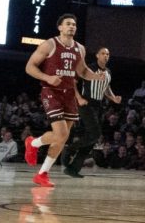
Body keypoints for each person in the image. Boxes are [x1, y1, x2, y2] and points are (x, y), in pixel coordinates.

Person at [24, 14, 106, 187]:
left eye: (74, 24)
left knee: (62, 138)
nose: (72, 27)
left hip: (69, 94)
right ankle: (33, 142)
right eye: (68, 24)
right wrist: (47, 77)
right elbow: (29, 67)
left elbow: (83, 71)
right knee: (60, 134)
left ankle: (42, 174)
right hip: (51, 90)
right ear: (60, 27)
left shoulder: (80, 48)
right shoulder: (49, 44)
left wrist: (95, 76)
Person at [62, 46, 121, 178]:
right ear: (97, 55)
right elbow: (73, 82)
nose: (106, 56)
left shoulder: (108, 72)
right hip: (86, 103)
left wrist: (113, 98)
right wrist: (79, 98)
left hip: (98, 105)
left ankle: (73, 168)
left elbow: (106, 88)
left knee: (91, 139)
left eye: (108, 54)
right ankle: (69, 149)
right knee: (96, 133)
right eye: (103, 53)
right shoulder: (89, 68)